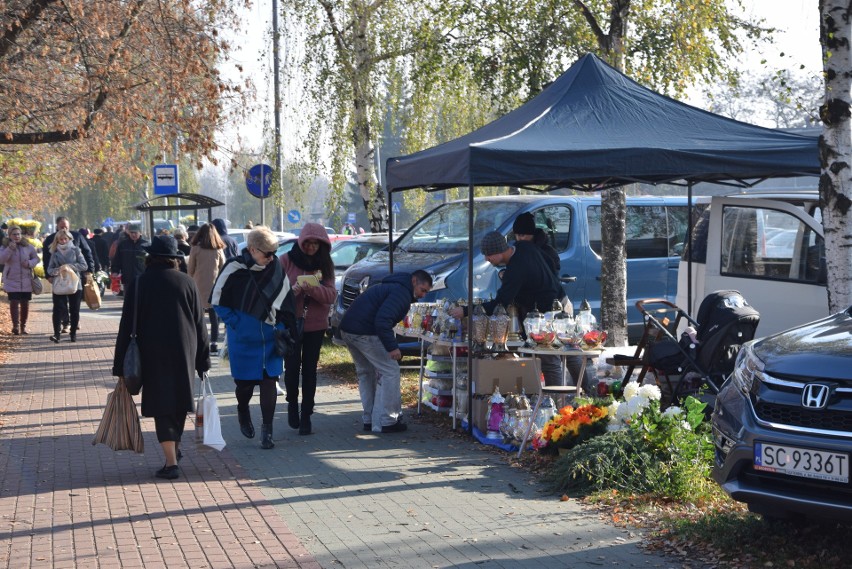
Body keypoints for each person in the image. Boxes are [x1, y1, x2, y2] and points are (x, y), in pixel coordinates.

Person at [112, 235, 211, 480]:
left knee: (161, 406)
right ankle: (173, 452)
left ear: (150, 257)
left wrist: (119, 365)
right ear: (175, 259)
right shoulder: (187, 282)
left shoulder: (139, 283)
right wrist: (204, 359)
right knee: (178, 403)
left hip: (152, 352)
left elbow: (126, 325)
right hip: (184, 349)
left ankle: (171, 463)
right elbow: (200, 324)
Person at [449, 231, 583, 387]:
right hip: (562, 302)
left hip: (547, 315)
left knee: (549, 359)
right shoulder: (524, 247)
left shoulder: (515, 270)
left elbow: (500, 304)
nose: (487, 259)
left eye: (489, 255)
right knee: (571, 353)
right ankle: (586, 394)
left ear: (499, 251)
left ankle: (555, 402)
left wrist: (466, 311)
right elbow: (549, 262)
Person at [211, 226, 295, 450]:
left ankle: (267, 431)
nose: (271, 257)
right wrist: (236, 323)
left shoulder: (274, 265)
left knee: (270, 381)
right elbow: (217, 300)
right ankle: (242, 410)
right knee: (245, 386)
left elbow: (286, 297)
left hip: (271, 338)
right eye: (266, 253)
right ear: (251, 249)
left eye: (273, 253)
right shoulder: (233, 268)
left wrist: (283, 324)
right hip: (243, 340)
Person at [340, 270, 432, 433]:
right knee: (390, 371)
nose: (423, 295)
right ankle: (387, 420)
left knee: (366, 373)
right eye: (422, 290)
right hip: (364, 331)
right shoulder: (401, 293)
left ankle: (370, 419)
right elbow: (382, 321)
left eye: (426, 292)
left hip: (349, 328)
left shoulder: (392, 286)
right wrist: (392, 347)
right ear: (414, 280)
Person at [279, 223, 337, 435]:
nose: (312, 247)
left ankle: (307, 414)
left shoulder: (325, 264)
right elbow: (276, 295)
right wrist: (294, 290)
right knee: (292, 368)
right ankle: (292, 405)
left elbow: (331, 296)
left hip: (315, 326)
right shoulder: (285, 260)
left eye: (316, 244)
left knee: (310, 370)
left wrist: (312, 289)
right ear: (301, 242)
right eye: (308, 243)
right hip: (291, 324)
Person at [43, 217, 97, 331]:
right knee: (61, 303)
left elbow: (87, 252)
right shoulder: (50, 239)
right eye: (62, 227)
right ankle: (65, 322)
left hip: (75, 276)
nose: (64, 229)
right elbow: (46, 259)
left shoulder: (77, 236)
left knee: (75, 302)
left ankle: (75, 322)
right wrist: (48, 275)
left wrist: (90, 269)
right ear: (57, 226)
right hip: (59, 277)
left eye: (66, 227)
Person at [187, 223, 226, 353]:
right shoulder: (218, 250)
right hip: (215, 286)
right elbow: (223, 268)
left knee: (198, 316)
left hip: (197, 285)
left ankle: (198, 341)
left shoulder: (195, 249)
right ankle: (214, 343)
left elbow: (190, 269)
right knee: (214, 317)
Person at [46, 229, 87, 343]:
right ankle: (56, 334)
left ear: (69, 239)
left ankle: (73, 333)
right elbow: (49, 269)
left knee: (74, 309)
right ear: (57, 240)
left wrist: (70, 266)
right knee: (58, 309)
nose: (63, 241)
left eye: (65, 239)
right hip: (60, 283)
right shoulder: (54, 252)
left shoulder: (76, 250)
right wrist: (58, 270)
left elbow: (84, 265)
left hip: (74, 283)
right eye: (61, 239)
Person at [0, 225, 40, 334]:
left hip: (26, 280)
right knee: (14, 302)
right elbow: (2, 260)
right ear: (9, 235)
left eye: (18, 234)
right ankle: (15, 326)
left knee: (25, 304)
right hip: (12, 279)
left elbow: (36, 258)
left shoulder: (27, 246)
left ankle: (23, 326)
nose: (17, 236)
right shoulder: (5, 246)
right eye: (14, 234)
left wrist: (29, 263)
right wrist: (9, 249)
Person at [110, 223, 150, 296]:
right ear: (128, 233)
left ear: (140, 232)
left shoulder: (146, 245)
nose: (133, 235)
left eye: (135, 232)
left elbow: (151, 261)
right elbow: (117, 260)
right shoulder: (123, 245)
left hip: (142, 278)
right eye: (131, 232)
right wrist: (115, 271)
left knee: (141, 299)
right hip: (127, 278)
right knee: (128, 298)